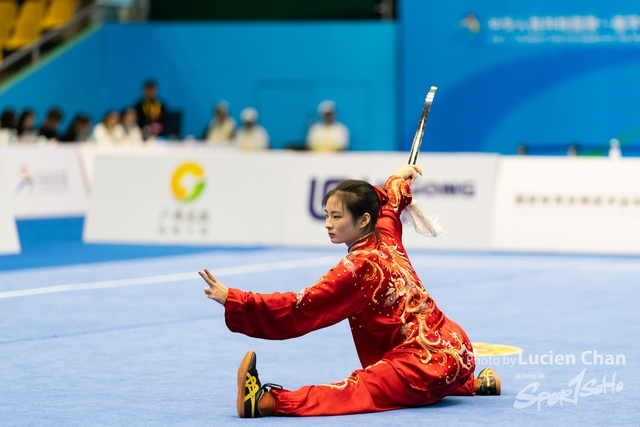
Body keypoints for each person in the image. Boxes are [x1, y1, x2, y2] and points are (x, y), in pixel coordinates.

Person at [198, 164, 500, 418]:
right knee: (395, 369)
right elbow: (391, 202)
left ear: (363, 219)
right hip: (459, 350)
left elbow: (300, 307)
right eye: (326, 215)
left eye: (337, 217)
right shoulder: (386, 231)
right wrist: (398, 178)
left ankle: (266, 402)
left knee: (358, 388)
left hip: (423, 366)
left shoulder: (358, 269)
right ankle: (471, 384)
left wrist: (235, 300)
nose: (328, 224)